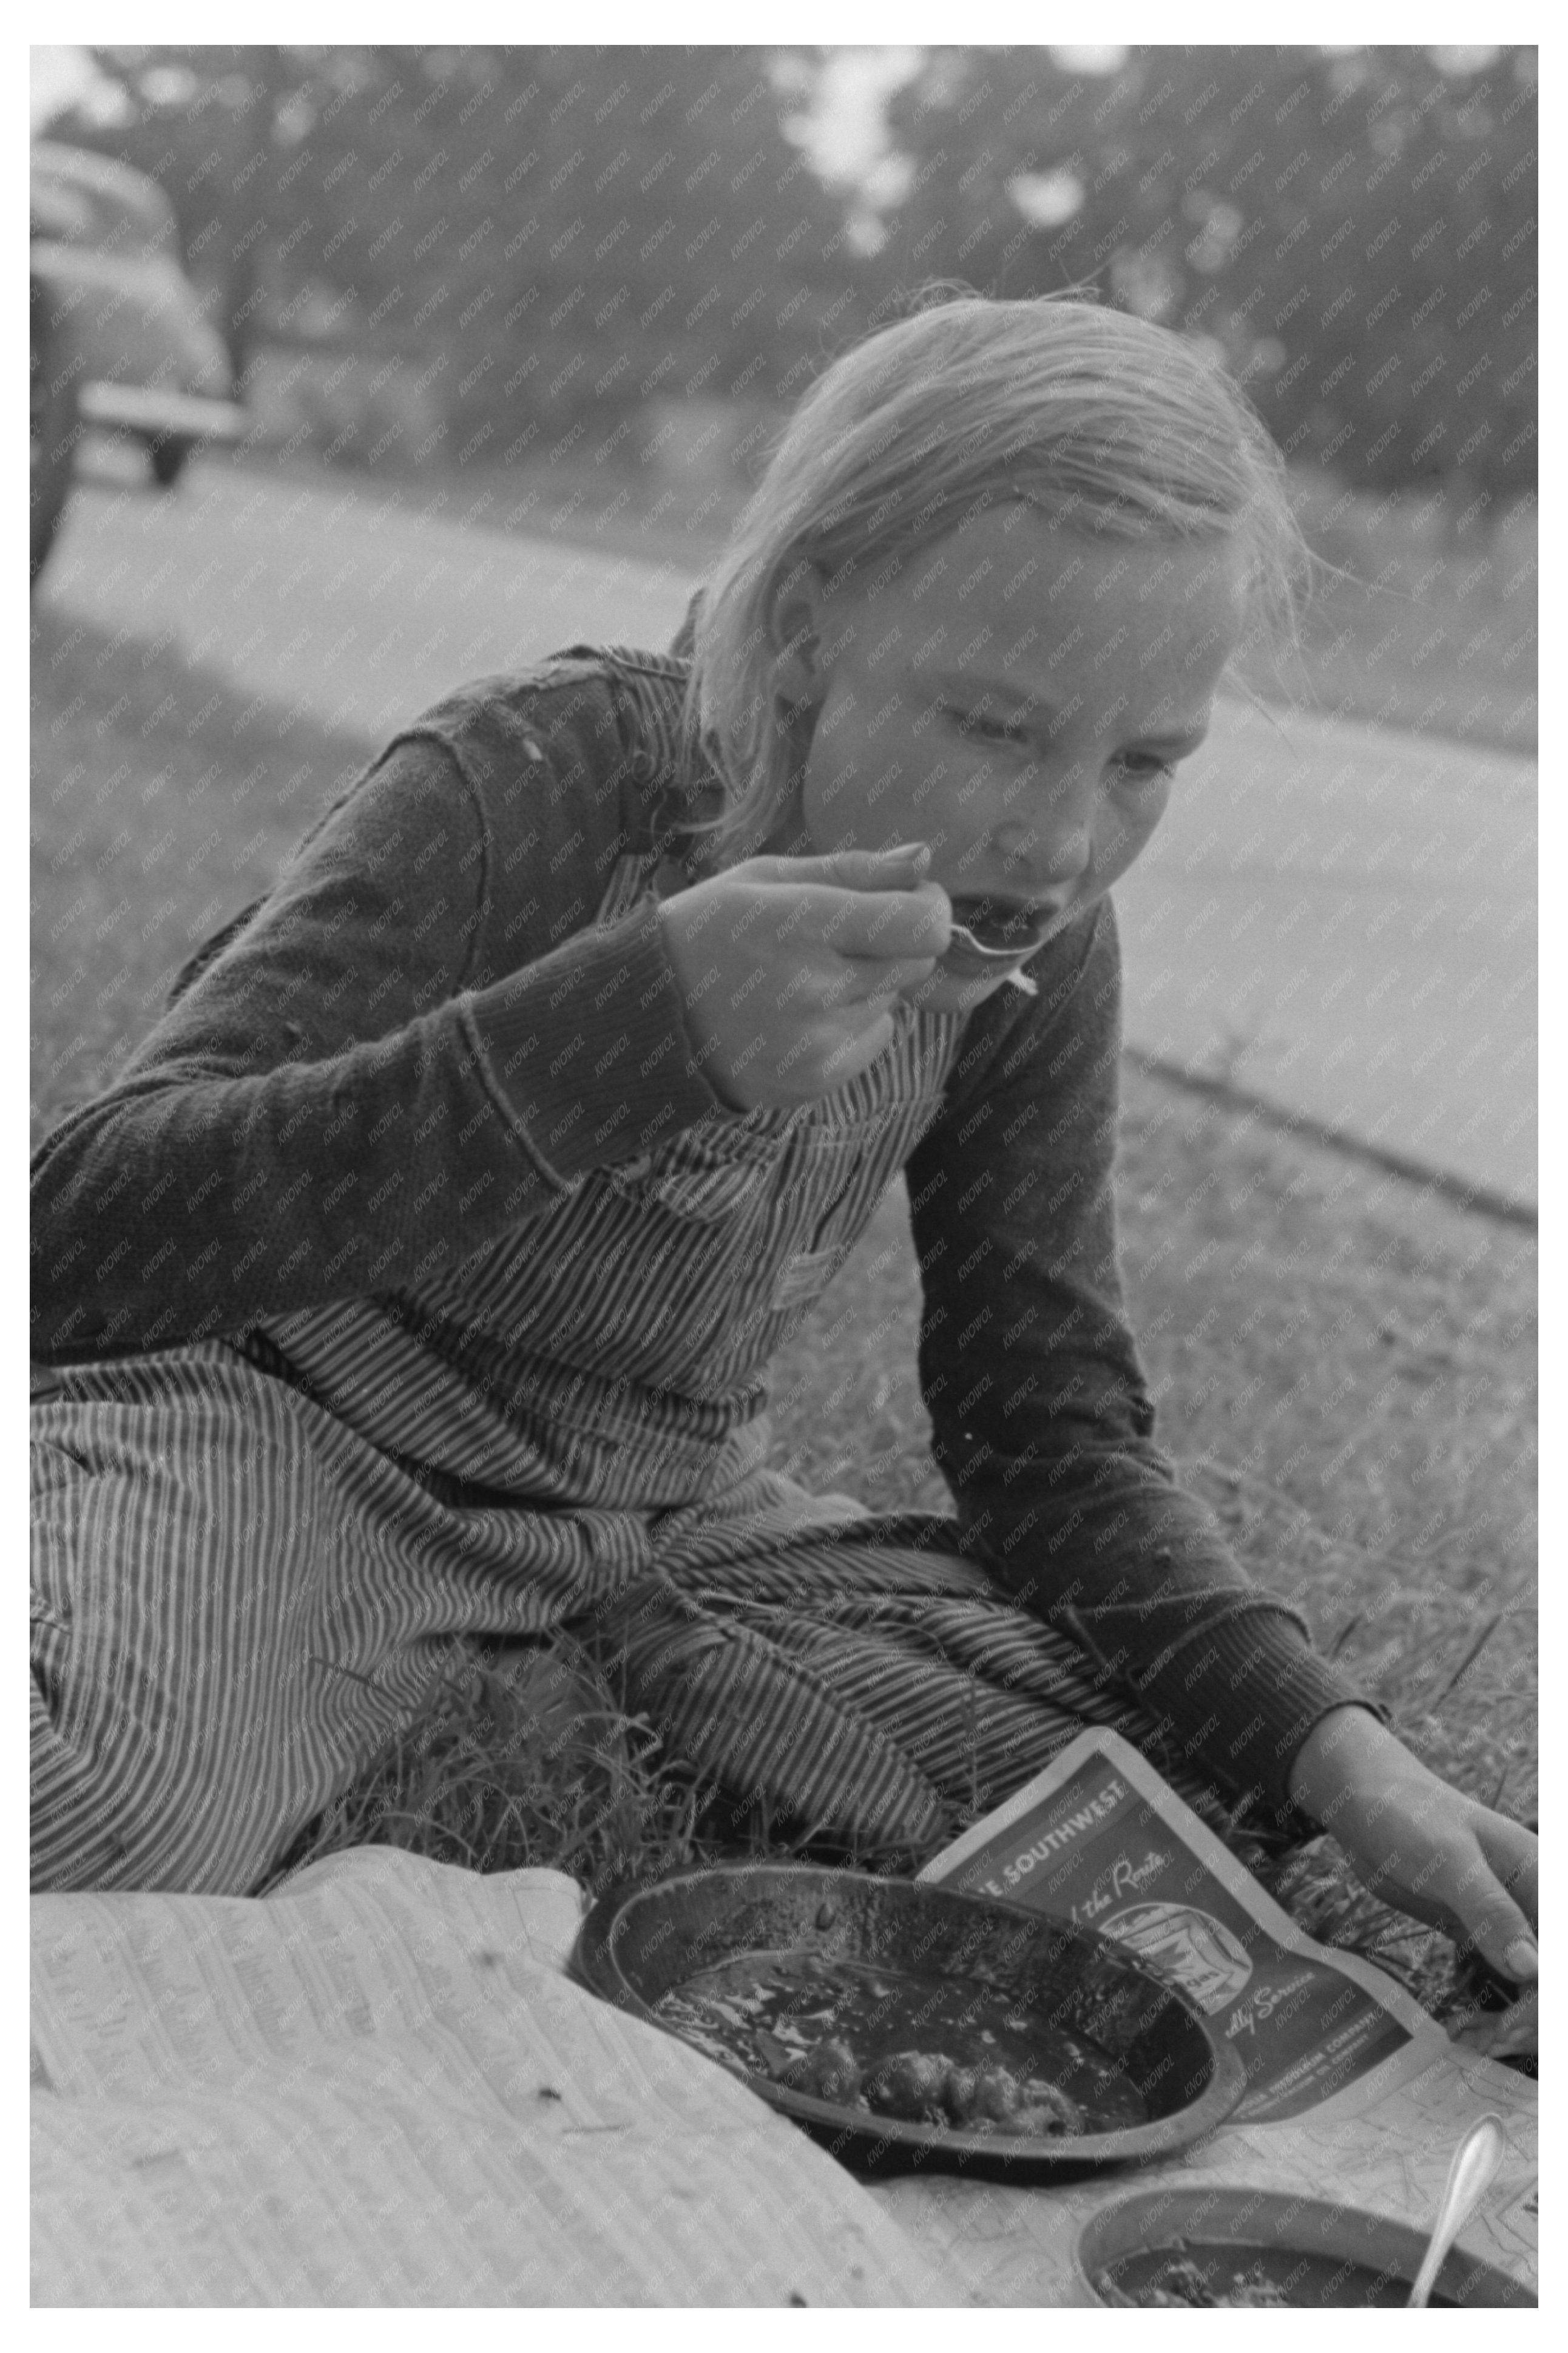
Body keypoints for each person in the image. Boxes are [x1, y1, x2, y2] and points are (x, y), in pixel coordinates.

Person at [30, 293, 1535, 2054]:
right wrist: (629, 1030)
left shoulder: (1045, 941)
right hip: (303, 1430)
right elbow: (84, 1237)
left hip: (666, 1510)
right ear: (809, 622)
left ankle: (617, 1656)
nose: (1059, 838)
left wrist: (1348, 1759)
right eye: (993, 726)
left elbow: (1041, 1425)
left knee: (1190, 1820)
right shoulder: (534, 778)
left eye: (1144, 764)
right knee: (77, 1812)